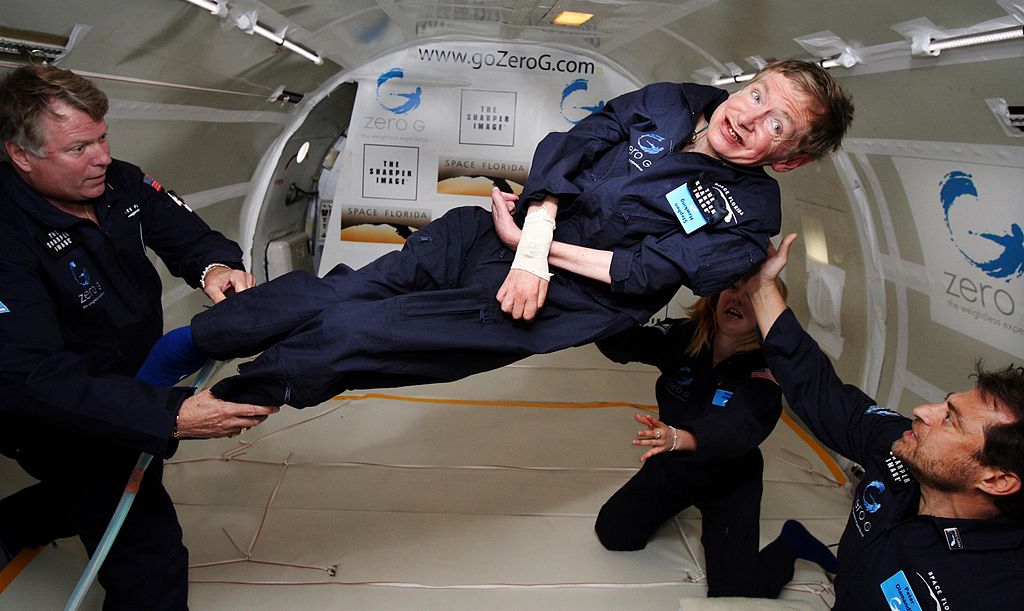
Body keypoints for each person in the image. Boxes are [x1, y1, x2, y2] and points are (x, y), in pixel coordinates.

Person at [185, 59, 853, 408]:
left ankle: (226, 402)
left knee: (361, 333)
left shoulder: (749, 213)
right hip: (491, 234)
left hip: (549, 300)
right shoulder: (674, 100)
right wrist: (530, 233)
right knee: (339, 296)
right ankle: (195, 344)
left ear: (788, 158)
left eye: (777, 126)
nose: (752, 116)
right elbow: (576, 141)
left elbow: (646, 273)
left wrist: (536, 258)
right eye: (760, 93)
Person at [0, 64, 278, 610]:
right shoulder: (7, 234)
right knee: (148, 558)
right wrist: (167, 414)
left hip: (129, 377)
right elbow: (32, 378)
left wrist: (215, 269)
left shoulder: (119, 181)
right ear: (20, 155)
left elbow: (190, 237)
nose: (101, 155)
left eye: (103, 136)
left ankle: (14, 520)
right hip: (54, 410)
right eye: (79, 147)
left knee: (104, 483)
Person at [744, 233, 1024, 609]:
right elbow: (820, 392)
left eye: (951, 421)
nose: (924, 411)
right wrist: (762, 286)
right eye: (946, 403)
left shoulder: (996, 591)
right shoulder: (901, 449)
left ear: (997, 479)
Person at [594, 282, 839, 597]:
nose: (737, 297)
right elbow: (626, 343)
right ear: (717, 295)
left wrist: (679, 437)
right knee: (614, 533)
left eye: (751, 296)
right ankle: (676, 500)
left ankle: (792, 543)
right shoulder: (685, 336)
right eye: (733, 288)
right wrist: (596, 309)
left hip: (729, 477)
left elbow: (740, 426)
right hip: (676, 463)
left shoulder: (766, 366)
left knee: (735, 590)